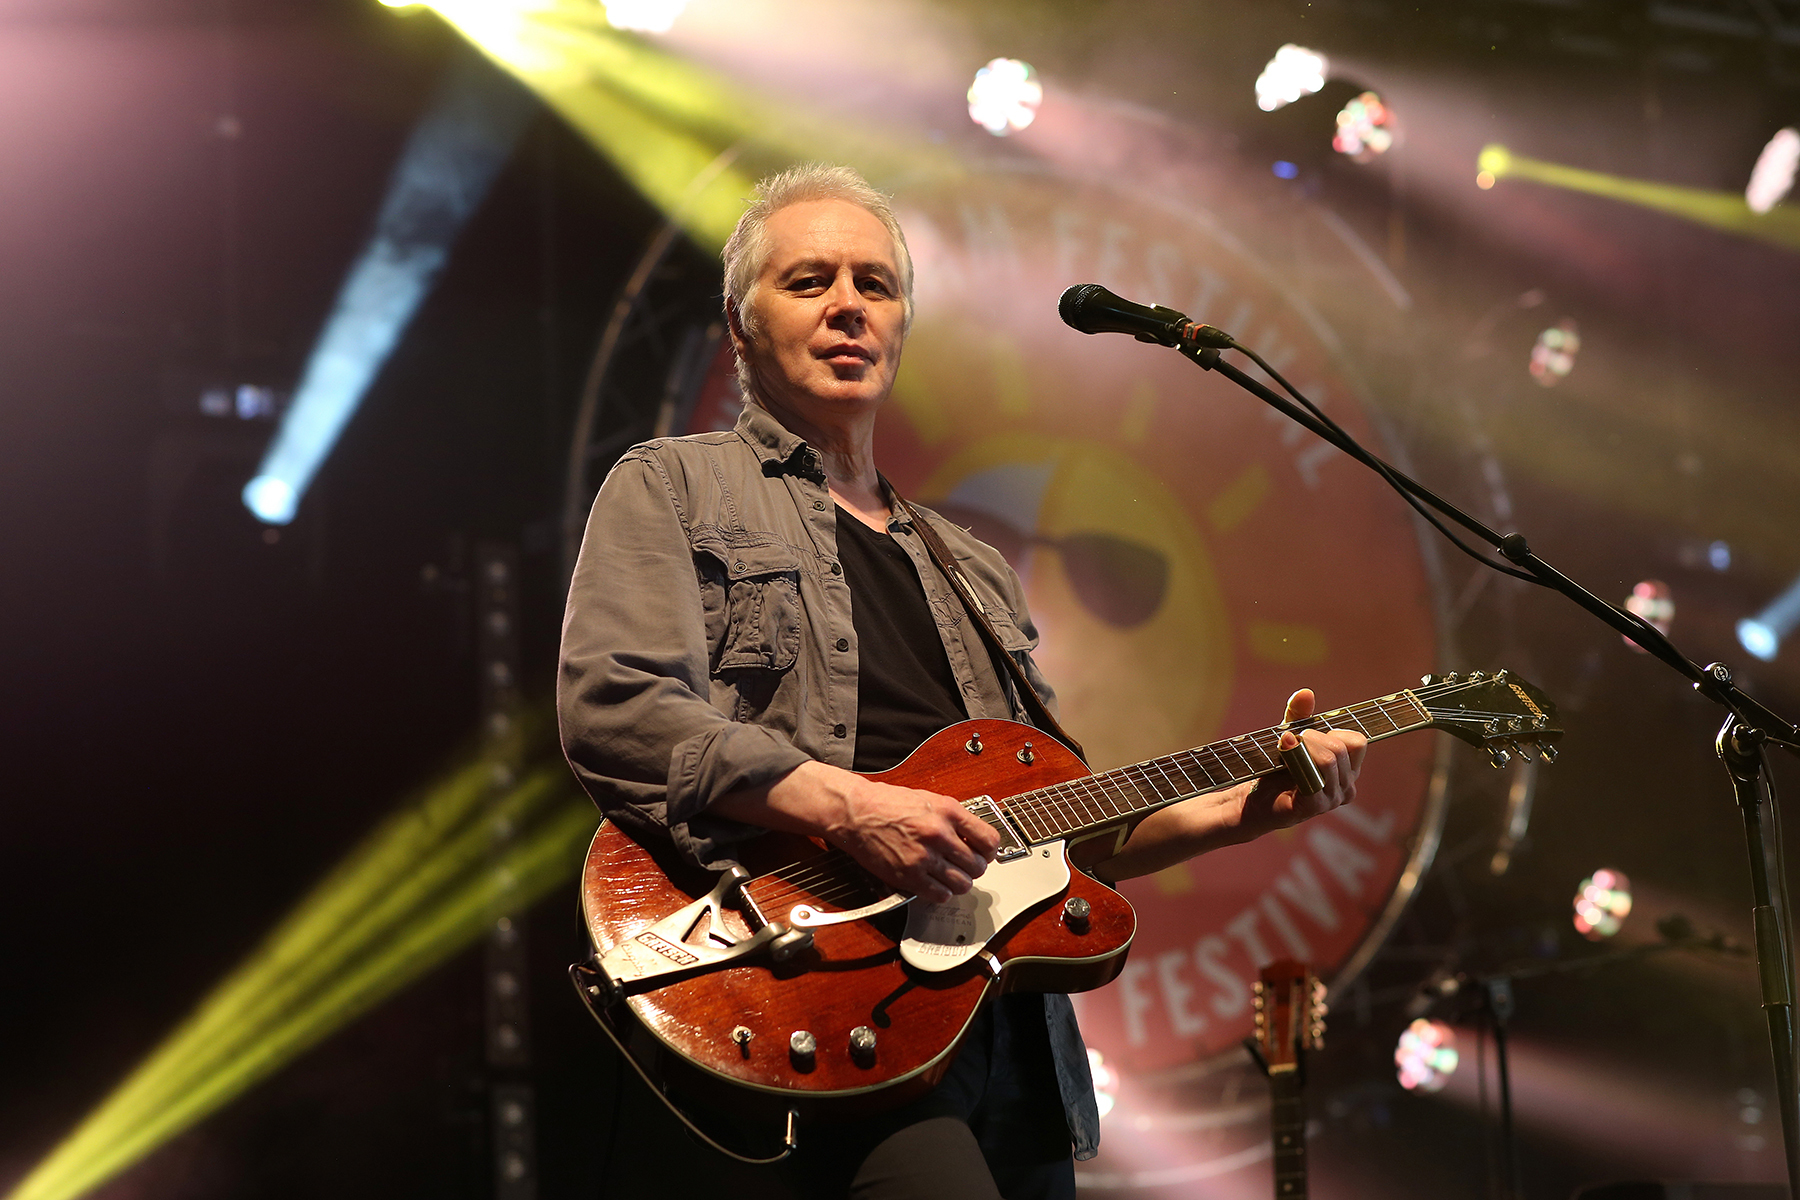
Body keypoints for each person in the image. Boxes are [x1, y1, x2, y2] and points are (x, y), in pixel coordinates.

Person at [557, 163, 1367, 1199]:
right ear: (740, 322)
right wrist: (853, 810)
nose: (848, 304)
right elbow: (617, 710)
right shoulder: (672, 484)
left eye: (875, 284)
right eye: (808, 281)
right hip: (820, 986)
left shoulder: (969, 567)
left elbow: (1053, 828)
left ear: (902, 327)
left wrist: (1246, 811)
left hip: (1011, 1039)